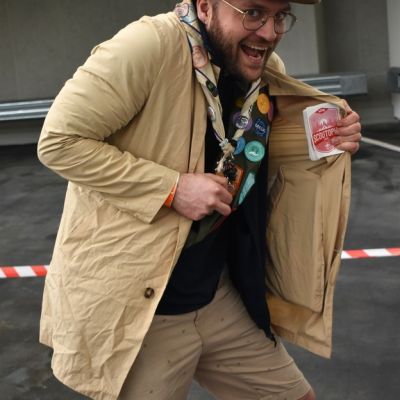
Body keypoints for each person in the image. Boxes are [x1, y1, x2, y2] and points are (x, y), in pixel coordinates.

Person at [37, 0, 361, 399]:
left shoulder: (262, 71)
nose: (269, 32)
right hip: (145, 313)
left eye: (280, 16)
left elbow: (260, 151)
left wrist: (332, 138)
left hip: (219, 296)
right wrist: (172, 189)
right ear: (206, 6)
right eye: (253, 12)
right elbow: (59, 142)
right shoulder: (148, 46)